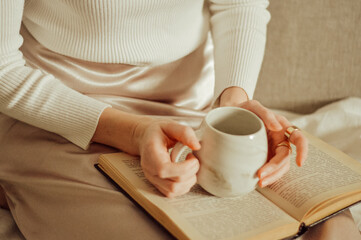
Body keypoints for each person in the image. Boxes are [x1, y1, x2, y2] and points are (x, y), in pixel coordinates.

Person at [0, 0, 358, 239]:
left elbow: (238, 4)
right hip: (62, 113)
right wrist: (136, 134)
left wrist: (233, 102)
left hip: (191, 113)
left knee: (330, 227)